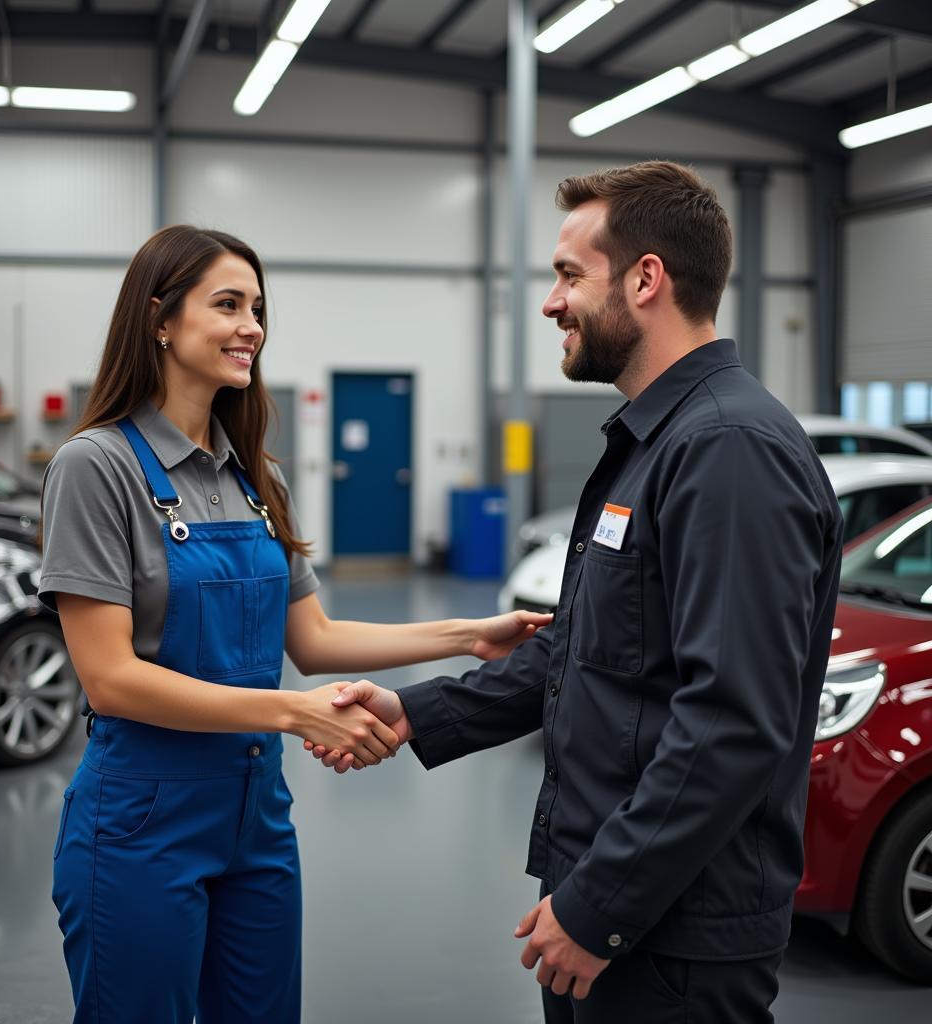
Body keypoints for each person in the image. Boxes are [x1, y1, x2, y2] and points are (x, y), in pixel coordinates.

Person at [309, 161, 844, 1022]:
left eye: (567, 276)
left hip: (674, 932)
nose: (551, 303)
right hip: (618, 898)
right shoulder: (654, 442)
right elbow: (584, 649)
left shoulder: (729, 448)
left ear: (646, 279)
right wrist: (420, 712)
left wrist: (603, 907)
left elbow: (734, 719)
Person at [38, 224, 551, 1024]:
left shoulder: (257, 477)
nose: (253, 326)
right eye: (228, 304)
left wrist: (466, 634)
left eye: (259, 308)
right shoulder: (95, 467)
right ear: (160, 320)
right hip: (140, 821)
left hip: (257, 819)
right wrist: (292, 714)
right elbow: (112, 679)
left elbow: (311, 640)